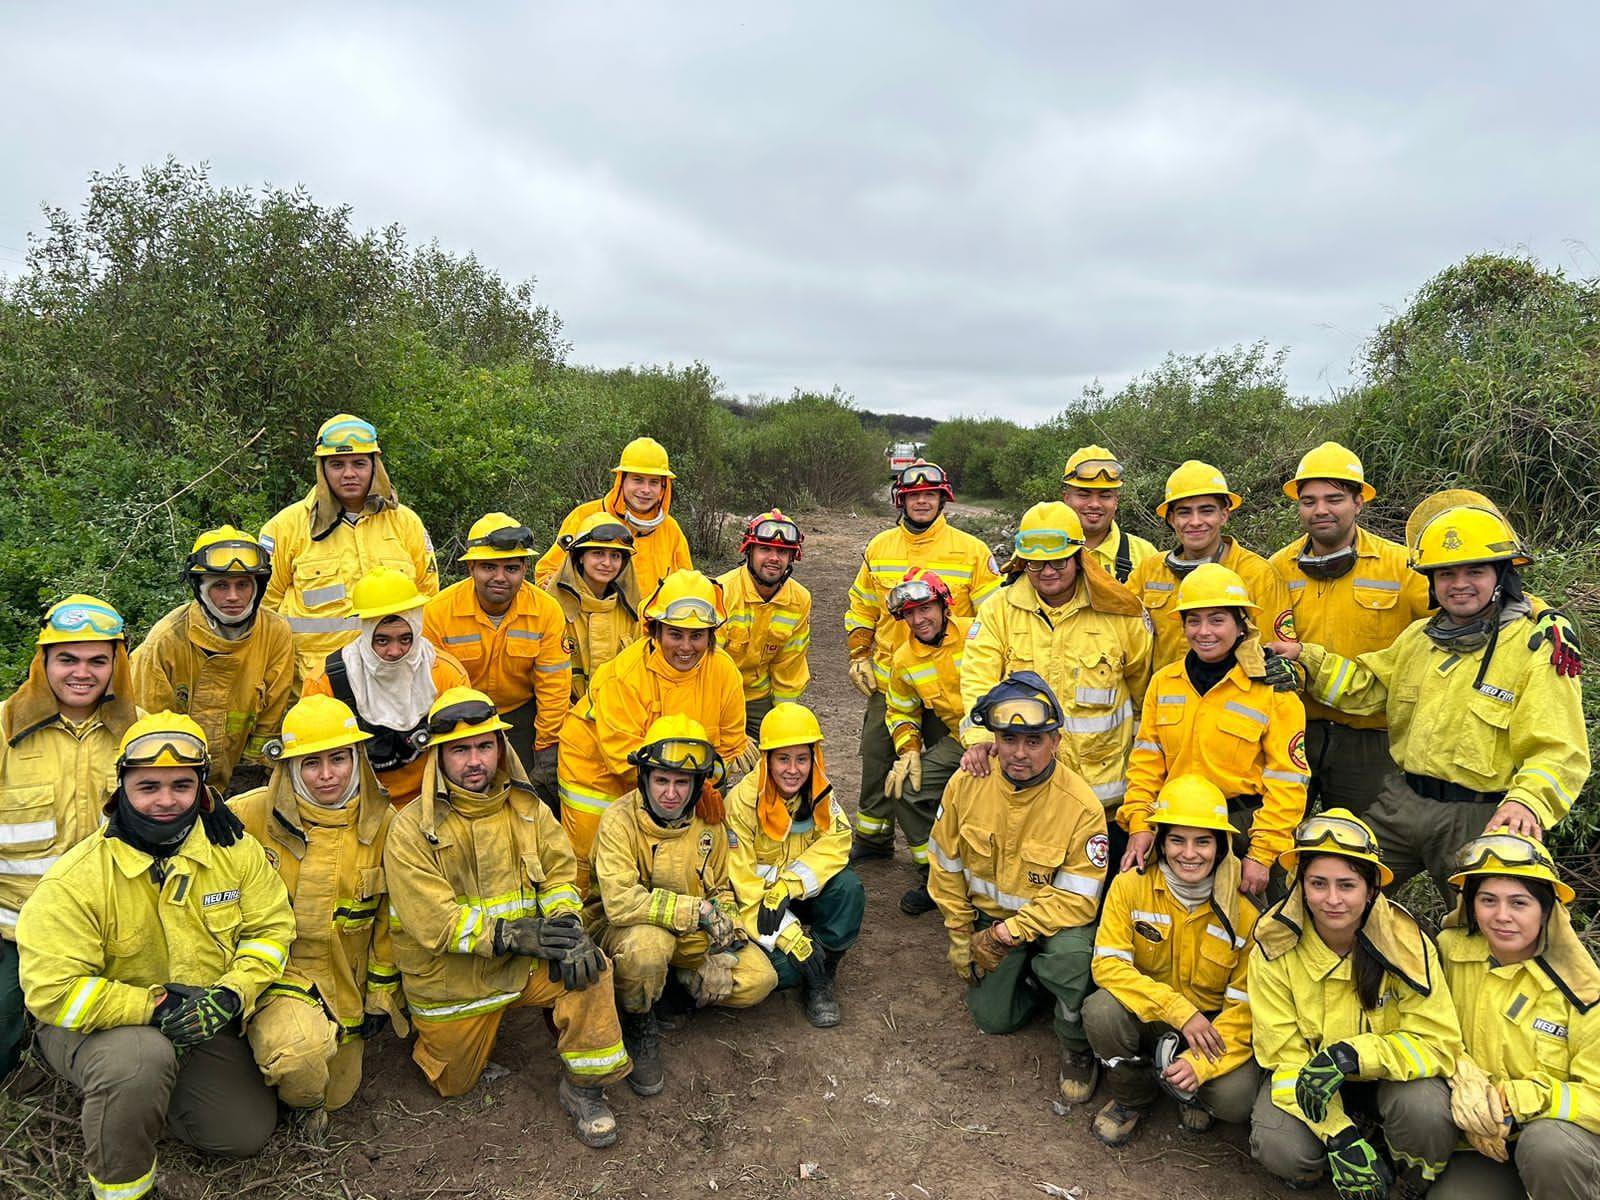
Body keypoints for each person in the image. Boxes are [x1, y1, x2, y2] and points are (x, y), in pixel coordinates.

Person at [15, 713, 293, 1200]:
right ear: (121, 787)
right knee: (138, 1060)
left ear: (202, 788)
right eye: (148, 786)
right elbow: (52, 990)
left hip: (198, 1016)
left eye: (182, 785)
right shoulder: (76, 880)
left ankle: (141, 1095)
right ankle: (122, 1184)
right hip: (98, 1026)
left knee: (240, 1135)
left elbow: (270, 932)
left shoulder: (235, 851)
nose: (166, 801)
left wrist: (231, 995)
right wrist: (155, 1008)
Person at [1269, 500, 1589, 896]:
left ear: (1501, 575)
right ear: (1431, 582)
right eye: (1446, 573)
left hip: (1482, 815)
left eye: (1475, 571)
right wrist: (1306, 658)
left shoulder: (1535, 647)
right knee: (1338, 894)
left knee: (1484, 928)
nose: (1459, 584)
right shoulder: (1419, 638)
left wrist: (1526, 804)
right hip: (1401, 804)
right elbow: (1367, 687)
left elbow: (1560, 751)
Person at [384, 688, 631, 1146]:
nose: (474, 761)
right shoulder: (409, 831)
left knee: (591, 967)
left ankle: (584, 1088)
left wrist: (567, 924)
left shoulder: (529, 809)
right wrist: (513, 934)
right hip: (453, 984)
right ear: (437, 755)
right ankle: (473, 1035)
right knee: (452, 1086)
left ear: (501, 747)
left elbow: (559, 876)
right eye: (459, 750)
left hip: (523, 968)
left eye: (484, 746)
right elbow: (435, 922)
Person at [1249, 810, 1461, 1198]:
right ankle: (1340, 1158)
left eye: (1346, 885)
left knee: (1426, 1109)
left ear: (1371, 889)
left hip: (1388, 1082)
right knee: (1281, 1145)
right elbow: (1282, 1059)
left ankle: (1407, 1180)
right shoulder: (1273, 946)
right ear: (1299, 884)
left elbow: (1439, 1042)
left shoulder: (1407, 944)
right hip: (1310, 1083)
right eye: (1318, 883)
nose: (1332, 899)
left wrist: (1352, 1055)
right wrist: (1339, 1136)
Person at [927, 672, 1109, 1105]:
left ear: (1056, 741)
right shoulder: (966, 782)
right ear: (993, 739)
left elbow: (1076, 898)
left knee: (1070, 960)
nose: (1019, 754)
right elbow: (945, 863)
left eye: (1033, 741)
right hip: (991, 919)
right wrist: (958, 935)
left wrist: (1008, 934)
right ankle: (1029, 980)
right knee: (993, 1019)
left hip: (1054, 923)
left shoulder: (1082, 806)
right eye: (1008, 739)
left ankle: (1075, 1042)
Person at [232, 694, 405, 1119]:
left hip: (344, 984)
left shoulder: (387, 825)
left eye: (338, 759)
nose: (326, 775)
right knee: (299, 1058)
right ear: (289, 766)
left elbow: (392, 922)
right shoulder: (247, 816)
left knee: (335, 1092)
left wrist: (380, 997)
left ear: (358, 758)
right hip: (270, 975)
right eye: (310, 763)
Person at [959, 501, 1153, 865]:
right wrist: (981, 740)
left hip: (1103, 797)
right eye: (1036, 563)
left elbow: (1144, 694)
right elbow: (977, 680)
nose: (1047, 571)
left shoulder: (1120, 612)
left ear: (1079, 557)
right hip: (1026, 783)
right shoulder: (998, 610)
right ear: (1022, 562)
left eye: (1058, 561)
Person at [592, 716, 777, 1095]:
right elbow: (620, 903)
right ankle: (639, 1019)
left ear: (697, 786)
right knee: (648, 948)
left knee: (762, 979)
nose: (671, 793)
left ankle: (679, 984)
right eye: (661, 780)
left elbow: (721, 888)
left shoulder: (710, 822)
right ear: (644, 779)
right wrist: (698, 913)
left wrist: (726, 939)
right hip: (627, 930)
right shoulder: (618, 821)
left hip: (693, 936)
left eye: (682, 782)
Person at [1, 595, 139, 1078]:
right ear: (43, 662)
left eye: (97, 660)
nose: (82, 672)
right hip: (14, 933)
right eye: (68, 659)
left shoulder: (140, 736)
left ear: (116, 665)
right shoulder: (2, 729)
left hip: (113, 934)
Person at [1085, 775, 1260, 1147]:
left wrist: (1201, 1063)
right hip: (1148, 1014)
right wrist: (1178, 1010)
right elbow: (1107, 965)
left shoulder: (1244, 914)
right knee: (1101, 1011)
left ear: (1222, 846)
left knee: (1236, 1099)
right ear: (1161, 843)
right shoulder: (1129, 886)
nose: (1189, 853)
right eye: (1177, 840)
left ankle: (1189, 1089)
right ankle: (1133, 1097)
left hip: (1207, 1032)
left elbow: (1244, 1009)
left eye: (1203, 841)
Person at [1117, 564, 1307, 900]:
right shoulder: (1164, 682)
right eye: (1194, 620)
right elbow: (1146, 765)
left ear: (1240, 625)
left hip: (1243, 831)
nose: (1204, 631)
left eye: (1217, 619)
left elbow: (1288, 784)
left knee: (1255, 933)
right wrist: (1140, 825)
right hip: (1173, 829)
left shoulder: (1273, 691)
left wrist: (1261, 854)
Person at [558, 570, 754, 893]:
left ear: (711, 635)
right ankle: (581, 920)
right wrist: (693, 788)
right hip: (594, 768)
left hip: (668, 775)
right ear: (656, 631)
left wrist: (707, 785)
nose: (686, 647)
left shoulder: (724, 673)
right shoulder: (626, 675)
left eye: (697, 636)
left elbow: (729, 748)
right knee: (591, 854)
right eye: (675, 634)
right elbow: (623, 758)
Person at [844, 459, 1000, 861]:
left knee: (952, 771)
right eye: (914, 496)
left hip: (959, 685)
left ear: (942, 498)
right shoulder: (879, 547)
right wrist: (859, 652)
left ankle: (954, 851)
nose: (922, 502)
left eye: (930, 495)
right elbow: (861, 607)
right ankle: (873, 837)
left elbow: (997, 618)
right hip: (893, 677)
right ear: (902, 499)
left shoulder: (972, 551)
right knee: (880, 756)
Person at [1268, 443, 1430, 818]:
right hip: (1294, 732)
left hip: (1371, 741)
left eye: (1334, 499)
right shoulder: (1278, 567)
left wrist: (1535, 611)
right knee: (1279, 842)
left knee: (1367, 851)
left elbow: (1465, 605)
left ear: (1359, 502)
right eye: (1309, 501)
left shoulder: (1400, 566)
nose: (1320, 510)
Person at [1435, 831, 1600, 1197]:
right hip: (1483, 1143)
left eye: (1519, 903)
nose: (1502, 916)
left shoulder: (1584, 991)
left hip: (1561, 1145)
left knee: (1548, 1147)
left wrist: (1518, 1099)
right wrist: (1463, 1076)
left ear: (1547, 910)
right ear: (1471, 906)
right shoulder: (1449, 952)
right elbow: (1423, 1025)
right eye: (1488, 900)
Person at [260, 413, 439, 684]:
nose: (349, 474)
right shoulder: (286, 527)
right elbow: (264, 610)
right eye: (337, 464)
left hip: (397, 679)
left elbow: (428, 598)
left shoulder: (406, 523)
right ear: (322, 469)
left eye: (359, 463)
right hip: (317, 685)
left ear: (374, 466)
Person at [725, 703, 864, 1028]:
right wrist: (791, 938)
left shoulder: (819, 793)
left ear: (813, 759)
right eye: (783, 759)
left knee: (848, 888)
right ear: (767, 760)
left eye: (802, 759)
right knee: (783, 972)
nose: (793, 770)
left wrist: (789, 886)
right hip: (759, 906)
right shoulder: (741, 804)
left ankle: (824, 974)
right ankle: (806, 957)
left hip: (794, 895)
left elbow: (837, 841)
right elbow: (740, 885)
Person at [131, 525, 295, 793]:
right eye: (220, 585)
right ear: (200, 588)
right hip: (174, 779)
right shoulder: (166, 640)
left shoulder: (276, 633)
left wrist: (251, 777)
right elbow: (151, 730)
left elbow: (270, 720)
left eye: (243, 584)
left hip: (243, 780)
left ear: (258, 587)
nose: (233, 596)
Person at [423, 513, 571, 806]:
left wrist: (546, 748)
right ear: (471, 567)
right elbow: (429, 689)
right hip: (457, 717)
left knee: (532, 794)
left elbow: (554, 689)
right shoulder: (438, 611)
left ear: (525, 568)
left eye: (511, 568)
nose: (501, 577)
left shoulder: (546, 611)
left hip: (520, 713)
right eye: (489, 567)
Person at [303, 567, 469, 808]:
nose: (394, 652)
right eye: (382, 640)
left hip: (433, 799)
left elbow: (464, 752)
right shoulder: (326, 682)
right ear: (366, 632)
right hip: (356, 804)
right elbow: (315, 762)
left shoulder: (445, 674)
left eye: (405, 639)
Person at [1127, 459, 1294, 670]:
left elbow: (1275, 651)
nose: (1195, 521)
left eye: (1206, 511)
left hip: (1233, 699)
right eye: (1184, 512)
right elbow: (1121, 631)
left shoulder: (1258, 574)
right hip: (1163, 698)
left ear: (1224, 515)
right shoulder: (1149, 570)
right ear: (1171, 519)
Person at [881, 568, 972, 915]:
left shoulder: (980, 633)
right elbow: (900, 711)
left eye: (925, 609)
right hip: (959, 740)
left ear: (944, 605)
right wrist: (908, 752)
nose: (918, 620)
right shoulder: (904, 659)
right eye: (910, 614)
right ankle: (935, 876)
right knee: (905, 789)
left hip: (1006, 739)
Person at [534, 436, 691, 594]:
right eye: (638, 480)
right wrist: (550, 583)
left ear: (663, 488)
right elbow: (547, 571)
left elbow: (686, 584)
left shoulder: (670, 529)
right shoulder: (585, 516)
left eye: (654, 482)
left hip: (651, 618)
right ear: (622, 480)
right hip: (595, 617)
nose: (646, 489)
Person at [717, 509, 811, 737]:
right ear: (749, 551)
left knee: (785, 746)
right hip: (716, 695)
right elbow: (708, 662)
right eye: (765, 549)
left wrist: (784, 721)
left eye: (782, 552)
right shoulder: (721, 591)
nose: (774, 558)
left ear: (792, 557)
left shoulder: (799, 600)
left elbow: (789, 666)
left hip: (758, 698)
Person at [545, 512, 643, 704]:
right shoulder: (553, 608)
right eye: (598, 553)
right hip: (566, 715)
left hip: (618, 714)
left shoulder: (632, 613)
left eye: (615, 556)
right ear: (580, 558)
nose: (607, 563)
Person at [1060, 445, 1158, 583]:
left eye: (1105, 496)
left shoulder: (1145, 555)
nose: (1095, 504)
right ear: (1066, 498)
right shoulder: (1043, 550)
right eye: (1083, 495)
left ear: (1116, 501)